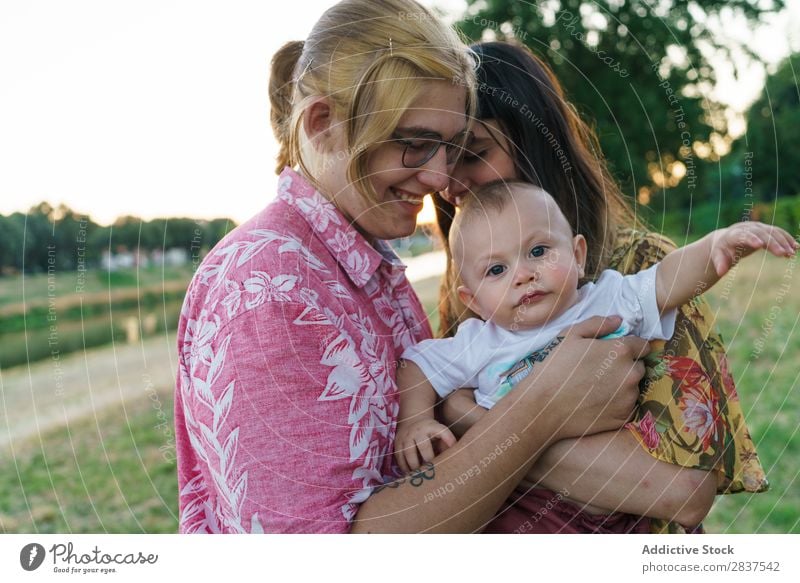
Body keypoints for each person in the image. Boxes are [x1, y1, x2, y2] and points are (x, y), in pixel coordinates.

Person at [173, 0, 649, 534]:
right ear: (322, 122)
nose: (439, 179)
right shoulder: (267, 291)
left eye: (449, 149)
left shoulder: (357, 257)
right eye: (417, 144)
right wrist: (539, 411)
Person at [433, 41, 770, 533]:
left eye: (474, 154)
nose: (447, 183)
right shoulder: (469, 299)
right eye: (442, 160)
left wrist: (474, 419)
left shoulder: (640, 268)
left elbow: (683, 492)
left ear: (534, 141)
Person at [397, 180, 796, 477]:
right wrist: (415, 422)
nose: (524, 274)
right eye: (496, 270)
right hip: (526, 500)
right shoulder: (480, 343)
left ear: (578, 254)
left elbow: (665, 281)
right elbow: (416, 363)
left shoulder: (606, 299)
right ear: (473, 301)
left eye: (538, 251)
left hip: (619, 487)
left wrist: (716, 246)